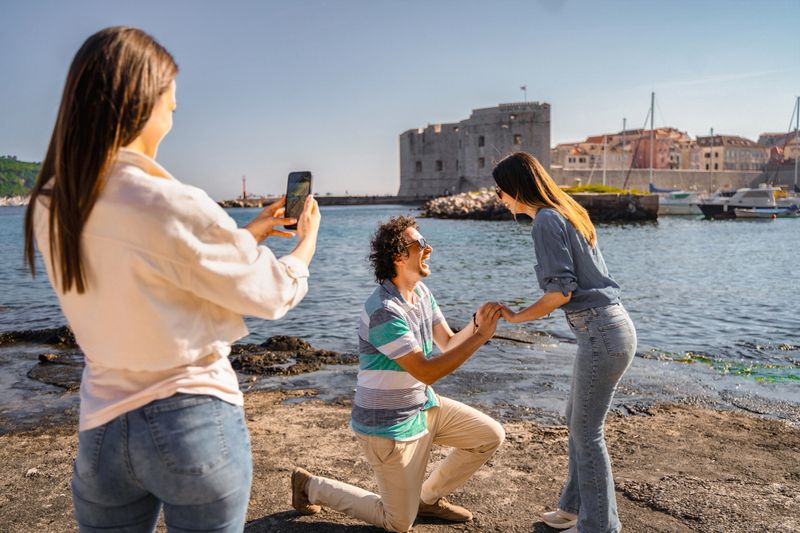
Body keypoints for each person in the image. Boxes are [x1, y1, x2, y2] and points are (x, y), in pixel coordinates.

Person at [23, 27, 321, 532]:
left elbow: (154, 267)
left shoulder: (52, 204)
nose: (173, 114)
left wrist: (249, 232)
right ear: (143, 102)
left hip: (100, 429)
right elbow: (271, 295)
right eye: (172, 103)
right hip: (191, 422)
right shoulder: (168, 201)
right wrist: (303, 247)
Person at [290, 216, 505, 532]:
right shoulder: (383, 311)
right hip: (388, 426)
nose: (428, 248)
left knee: (489, 436)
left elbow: (446, 343)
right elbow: (427, 371)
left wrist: (478, 323)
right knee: (398, 523)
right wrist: (480, 337)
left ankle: (427, 498)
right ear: (398, 256)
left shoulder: (421, 294)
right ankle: (310, 486)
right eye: (420, 244)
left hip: (422, 407)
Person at [492, 153, 636, 533]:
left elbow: (560, 292)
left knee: (587, 432)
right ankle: (572, 509)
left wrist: (514, 316)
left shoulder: (545, 221)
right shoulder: (566, 212)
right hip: (610, 328)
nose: (499, 199)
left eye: (499, 191)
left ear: (515, 187)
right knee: (577, 422)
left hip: (600, 332)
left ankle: (599, 527)